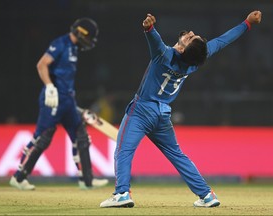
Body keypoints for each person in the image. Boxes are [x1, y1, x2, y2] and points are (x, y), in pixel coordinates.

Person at [100, 10, 262, 208]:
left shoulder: (164, 55)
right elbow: (222, 41)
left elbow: (156, 42)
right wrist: (247, 23)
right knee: (177, 155)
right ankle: (207, 195)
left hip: (142, 110)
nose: (190, 33)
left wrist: (148, 28)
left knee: (124, 150)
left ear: (184, 49)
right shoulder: (194, 60)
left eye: (190, 38)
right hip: (162, 114)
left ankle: (122, 193)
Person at [9, 18, 108, 190]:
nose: (89, 41)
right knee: (42, 137)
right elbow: (42, 65)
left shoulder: (75, 48)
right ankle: (18, 178)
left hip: (68, 100)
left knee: (81, 137)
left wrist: (71, 102)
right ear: (81, 32)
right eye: (89, 36)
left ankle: (86, 180)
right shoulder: (60, 43)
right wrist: (49, 86)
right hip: (53, 99)